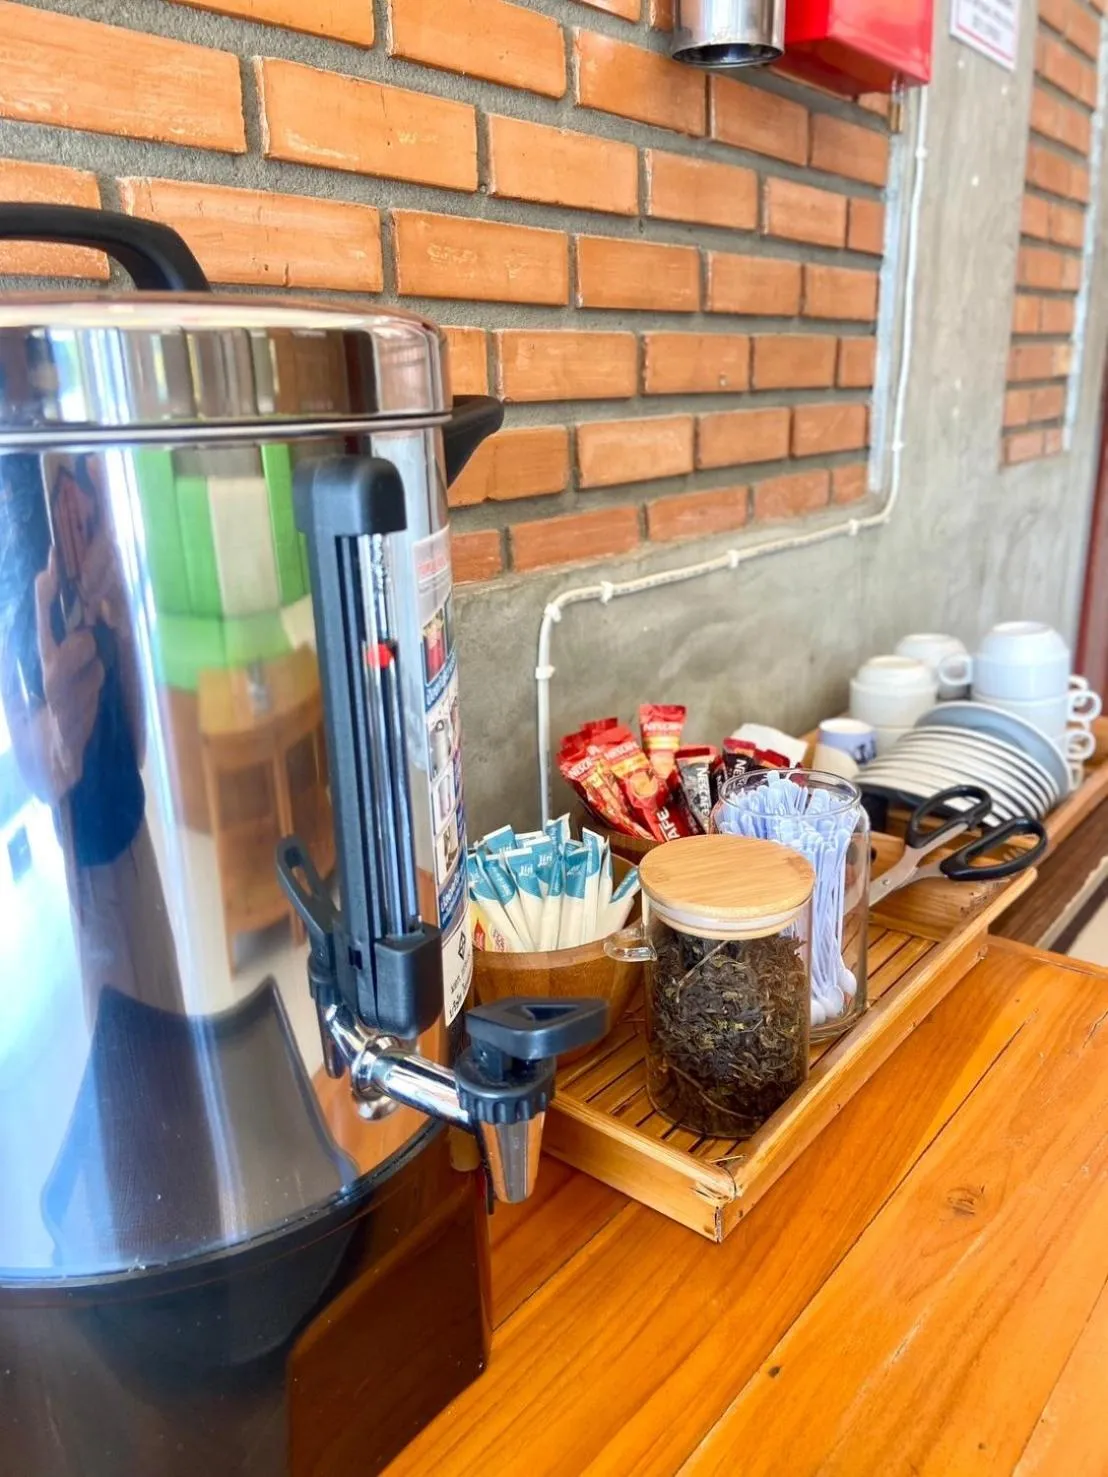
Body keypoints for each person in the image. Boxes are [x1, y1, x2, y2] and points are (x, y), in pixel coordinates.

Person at [0, 451, 183, 1018]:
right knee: (122, 1043)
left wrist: (125, 628)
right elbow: (33, 748)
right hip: (83, 857)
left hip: (130, 823)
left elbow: (136, 738)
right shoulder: (13, 515)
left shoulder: (80, 458)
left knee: (163, 1005)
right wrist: (58, 744)